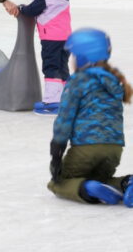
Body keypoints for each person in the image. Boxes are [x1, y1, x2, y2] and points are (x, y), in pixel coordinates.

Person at [48, 28, 133, 205]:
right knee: (102, 179)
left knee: (59, 183)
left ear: (83, 57)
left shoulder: (78, 81)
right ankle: (127, 183)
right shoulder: (114, 81)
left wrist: (56, 151)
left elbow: (65, 118)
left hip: (85, 148)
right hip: (114, 150)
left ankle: (87, 189)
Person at [19, 0, 72, 114]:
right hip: (66, 36)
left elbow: (33, 9)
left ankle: (51, 102)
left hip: (51, 38)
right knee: (62, 67)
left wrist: (22, 8)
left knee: (51, 67)